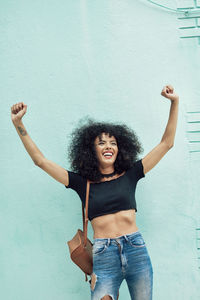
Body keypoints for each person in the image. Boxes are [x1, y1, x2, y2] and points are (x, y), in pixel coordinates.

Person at [11, 84, 179, 300]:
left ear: (120, 149)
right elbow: (40, 161)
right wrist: (19, 124)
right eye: (101, 143)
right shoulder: (82, 183)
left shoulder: (132, 174)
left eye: (113, 143)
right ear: (92, 150)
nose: (108, 146)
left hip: (136, 250)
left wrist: (174, 102)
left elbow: (167, 143)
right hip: (103, 255)